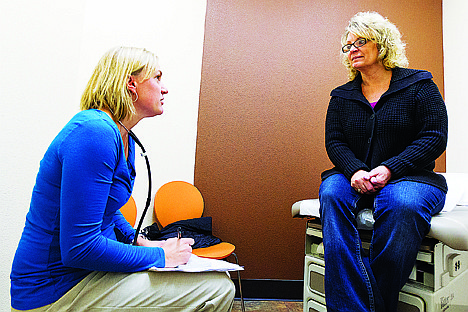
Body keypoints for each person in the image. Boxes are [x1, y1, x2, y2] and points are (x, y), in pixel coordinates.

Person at [10, 46, 235, 312]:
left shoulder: (121, 135)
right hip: (54, 290)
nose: (164, 89)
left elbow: (106, 210)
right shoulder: (94, 132)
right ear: (131, 84)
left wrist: (139, 240)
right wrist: (162, 255)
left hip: (84, 276)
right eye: (157, 77)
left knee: (217, 280)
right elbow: (80, 248)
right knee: (217, 289)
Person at [319, 12, 448, 312]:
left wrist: (391, 168)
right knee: (331, 192)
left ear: (383, 44)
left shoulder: (420, 85)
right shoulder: (341, 97)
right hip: (352, 175)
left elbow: (434, 136)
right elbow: (334, 142)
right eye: (347, 45)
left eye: (360, 41)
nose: (351, 49)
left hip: (411, 176)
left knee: (401, 202)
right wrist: (354, 170)